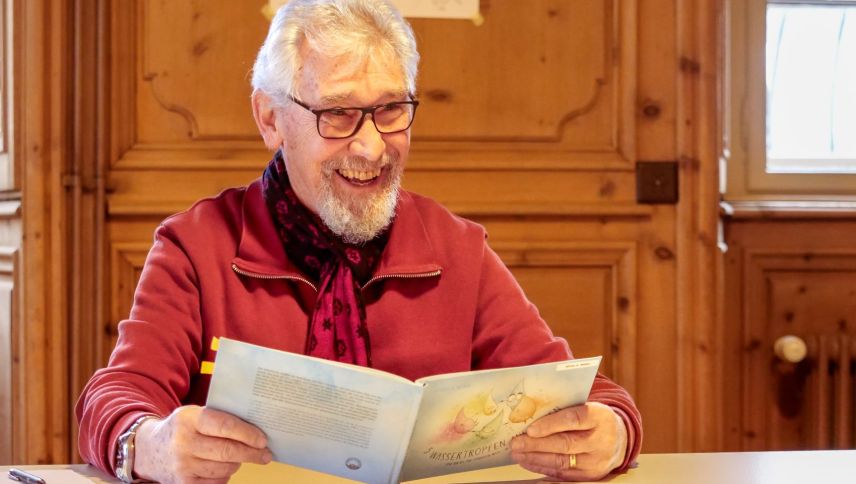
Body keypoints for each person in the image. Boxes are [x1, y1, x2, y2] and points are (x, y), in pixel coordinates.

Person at [76, 0, 642, 482]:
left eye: (391, 110)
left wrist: (612, 434)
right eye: (339, 114)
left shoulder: (456, 248)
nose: (372, 148)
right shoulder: (195, 247)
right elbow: (116, 400)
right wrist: (145, 446)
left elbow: (588, 398)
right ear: (270, 119)